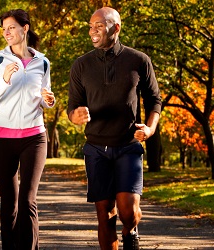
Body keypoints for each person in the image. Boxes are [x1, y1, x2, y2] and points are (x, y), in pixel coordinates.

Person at [67, 7, 162, 250]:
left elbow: (154, 101)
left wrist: (149, 130)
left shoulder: (139, 60)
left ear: (116, 28)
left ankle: (131, 229)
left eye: (99, 26)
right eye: (90, 26)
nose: (93, 31)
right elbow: (72, 108)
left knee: (127, 210)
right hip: (96, 148)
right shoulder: (81, 65)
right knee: (105, 214)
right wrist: (75, 116)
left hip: (128, 145)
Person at [0, 9, 55, 250]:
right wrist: (3, 81)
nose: (6, 32)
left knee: (28, 200)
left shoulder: (42, 62)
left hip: (34, 137)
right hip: (2, 138)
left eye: (11, 27)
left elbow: (43, 97)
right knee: (9, 203)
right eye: (3, 29)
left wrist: (48, 101)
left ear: (25, 28)